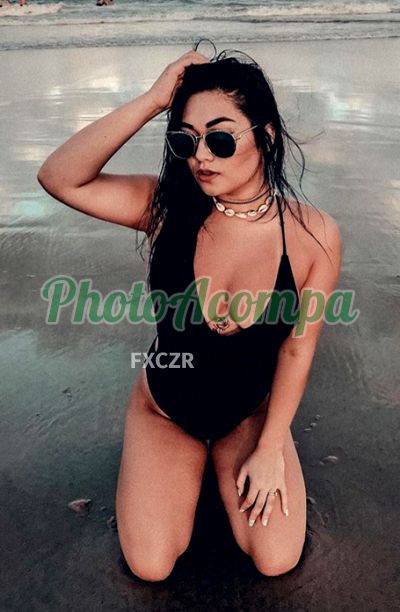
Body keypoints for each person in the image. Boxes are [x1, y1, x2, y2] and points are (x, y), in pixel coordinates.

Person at [37, 43, 342, 582]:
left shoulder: (313, 235)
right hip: (167, 410)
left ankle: (231, 460)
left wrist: (270, 446)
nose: (201, 156)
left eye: (220, 139)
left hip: (247, 415)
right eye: (186, 139)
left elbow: (298, 348)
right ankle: (176, 467)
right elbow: (60, 177)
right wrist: (154, 100)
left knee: (276, 559)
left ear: (266, 137)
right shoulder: (165, 209)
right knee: (150, 566)